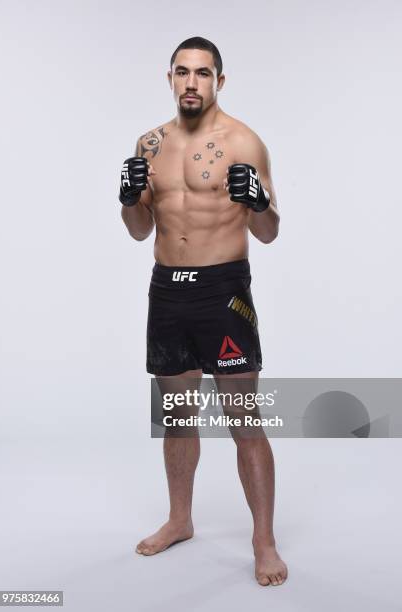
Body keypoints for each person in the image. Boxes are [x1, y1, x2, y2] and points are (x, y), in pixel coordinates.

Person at [119, 37, 288, 587]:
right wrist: (128, 200)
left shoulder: (243, 141)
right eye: (182, 72)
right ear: (169, 77)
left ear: (220, 80)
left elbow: (268, 233)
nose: (192, 82)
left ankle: (263, 542)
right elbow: (141, 230)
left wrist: (258, 201)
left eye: (203, 73)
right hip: (167, 290)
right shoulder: (149, 143)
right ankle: (180, 519)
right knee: (177, 417)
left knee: (244, 419)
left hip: (223, 292)